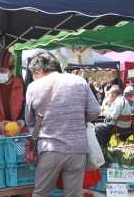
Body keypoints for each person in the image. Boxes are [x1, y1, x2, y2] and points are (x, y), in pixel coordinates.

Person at [25, 52, 101, 197]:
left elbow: (29, 120)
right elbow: (95, 110)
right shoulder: (79, 81)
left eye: (33, 73)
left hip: (49, 149)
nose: (32, 77)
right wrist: (77, 119)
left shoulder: (34, 87)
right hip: (77, 150)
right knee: (74, 195)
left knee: (41, 194)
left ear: (39, 70)